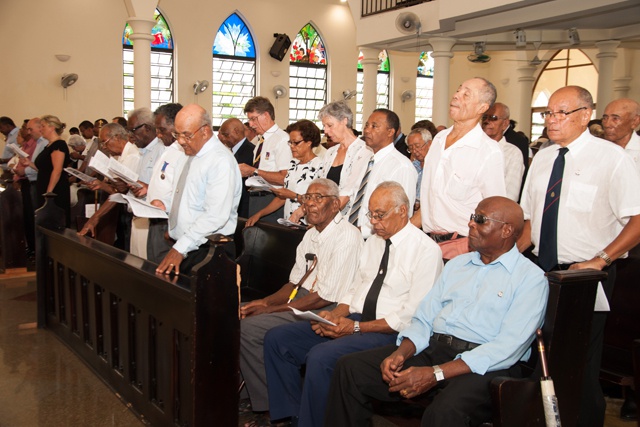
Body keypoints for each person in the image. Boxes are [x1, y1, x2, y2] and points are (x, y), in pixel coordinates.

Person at [327, 196, 548, 427]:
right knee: (350, 369)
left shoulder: (530, 279)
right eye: (473, 217)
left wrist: (436, 373)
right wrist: (401, 353)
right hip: (436, 349)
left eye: (481, 220)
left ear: (507, 230)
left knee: (445, 411)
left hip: (485, 367)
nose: (471, 224)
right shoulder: (457, 265)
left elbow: (507, 348)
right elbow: (423, 319)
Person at [263, 182, 442, 427]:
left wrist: (353, 328)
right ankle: (293, 417)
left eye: (380, 215)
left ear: (403, 211)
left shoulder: (426, 251)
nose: (374, 222)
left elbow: (410, 317)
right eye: (371, 214)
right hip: (356, 320)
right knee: (278, 339)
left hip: (390, 334)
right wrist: (335, 316)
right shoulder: (374, 242)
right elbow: (355, 289)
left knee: (321, 357)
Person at [519, 86, 640, 427]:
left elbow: (637, 219)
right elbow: (530, 221)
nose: (552, 121)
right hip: (543, 269)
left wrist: (601, 259)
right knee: (541, 357)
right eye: (548, 113)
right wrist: (510, 260)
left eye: (561, 113)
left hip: (586, 274)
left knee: (579, 365)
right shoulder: (543, 157)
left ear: (585, 115)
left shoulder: (611, 158)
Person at [239, 179, 363, 426]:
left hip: (330, 310)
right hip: (307, 301)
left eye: (318, 198)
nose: (310, 204)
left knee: (250, 329)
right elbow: (294, 284)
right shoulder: (310, 235)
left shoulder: (346, 236)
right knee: (247, 314)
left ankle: (273, 408)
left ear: (336, 204)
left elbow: (325, 297)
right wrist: (263, 302)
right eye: (307, 198)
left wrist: (272, 310)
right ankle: (258, 398)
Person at [412, 78, 506, 260]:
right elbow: (431, 198)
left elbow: (496, 211)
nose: (456, 96)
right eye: (458, 90)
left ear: (482, 108)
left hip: (463, 248)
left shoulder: (487, 151)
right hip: (428, 244)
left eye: (466, 95)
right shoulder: (439, 139)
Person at [155, 104, 241, 276]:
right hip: (188, 245)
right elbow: (183, 194)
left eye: (186, 135)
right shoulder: (188, 153)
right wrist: (164, 205)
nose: (180, 141)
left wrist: (180, 248)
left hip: (209, 251)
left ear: (205, 131)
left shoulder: (220, 161)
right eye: (177, 134)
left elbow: (215, 216)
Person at [350, 109, 417, 239]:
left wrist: (360, 231)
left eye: (374, 126)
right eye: (367, 125)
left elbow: (401, 217)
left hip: (378, 239)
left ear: (390, 132)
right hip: (354, 235)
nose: (367, 130)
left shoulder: (401, 166)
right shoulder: (366, 160)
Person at [131, 103, 185, 264]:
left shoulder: (183, 151)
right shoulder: (169, 150)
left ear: (176, 125)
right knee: (153, 264)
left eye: (162, 130)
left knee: (163, 268)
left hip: (168, 219)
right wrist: (148, 189)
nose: (159, 135)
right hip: (156, 218)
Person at [246, 119, 324, 227]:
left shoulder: (319, 166)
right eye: (290, 142)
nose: (292, 146)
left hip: (308, 224)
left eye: (296, 143)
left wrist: (293, 195)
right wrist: (259, 214)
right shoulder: (293, 164)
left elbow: (319, 201)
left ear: (308, 143)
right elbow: (282, 198)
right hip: (290, 222)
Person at [239, 96, 292, 223]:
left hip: (272, 199)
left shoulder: (282, 139)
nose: (251, 124)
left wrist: (254, 171)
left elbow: (284, 178)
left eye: (253, 119)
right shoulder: (260, 140)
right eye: (249, 120)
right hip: (256, 197)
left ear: (266, 115)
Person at [317, 101, 373, 216]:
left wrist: (324, 218)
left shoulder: (364, 151)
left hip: (346, 217)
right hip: (326, 213)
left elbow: (348, 193)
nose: (326, 131)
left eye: (329, 125)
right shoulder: (331, 152)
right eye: (324, 126)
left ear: (344, 121)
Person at [14, 118, 48, 258]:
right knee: (29, 216)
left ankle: (38, 250)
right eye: (27, 129)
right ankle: (33, 248)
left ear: (40, 128)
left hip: (36, 182)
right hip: (30, 182)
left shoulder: (44, 143)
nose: (28, 132)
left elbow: (41, 167)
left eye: (30, 129)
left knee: (35, 216)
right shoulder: (38, 143)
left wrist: (25, 170)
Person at [31, 115, 71, 226]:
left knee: (53, 222)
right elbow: (45, 168)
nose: (40, 129)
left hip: (54, 190)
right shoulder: (49, 145)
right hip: (45, 186)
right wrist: (29, 163)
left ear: (52, 127)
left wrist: (48, 194)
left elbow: (57, 170)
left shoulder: (59, 145)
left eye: (43, 126)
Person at [481, 102, 525, 201]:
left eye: (493, 118)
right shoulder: (474, 148)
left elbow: (510, 195)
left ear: (505, 124)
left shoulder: (513, 153)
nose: (487, 121)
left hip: (492, 212)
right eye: (484, 117)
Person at [218, 118, 255, 218]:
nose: (224, 139)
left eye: (226, 135)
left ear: (236, 131)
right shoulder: (231, 151)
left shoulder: (251, 151)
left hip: (243, 205)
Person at [602, 98, 640, 173]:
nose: (607, 124)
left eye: (615, 118)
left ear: (635, 121)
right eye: (605, 118)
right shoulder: (597, 148)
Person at [406, 128, 432, 212]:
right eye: (410, 148)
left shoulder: (436, 167)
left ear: (429, 144)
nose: (414, 151)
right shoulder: (411, 167)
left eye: (417, 146)